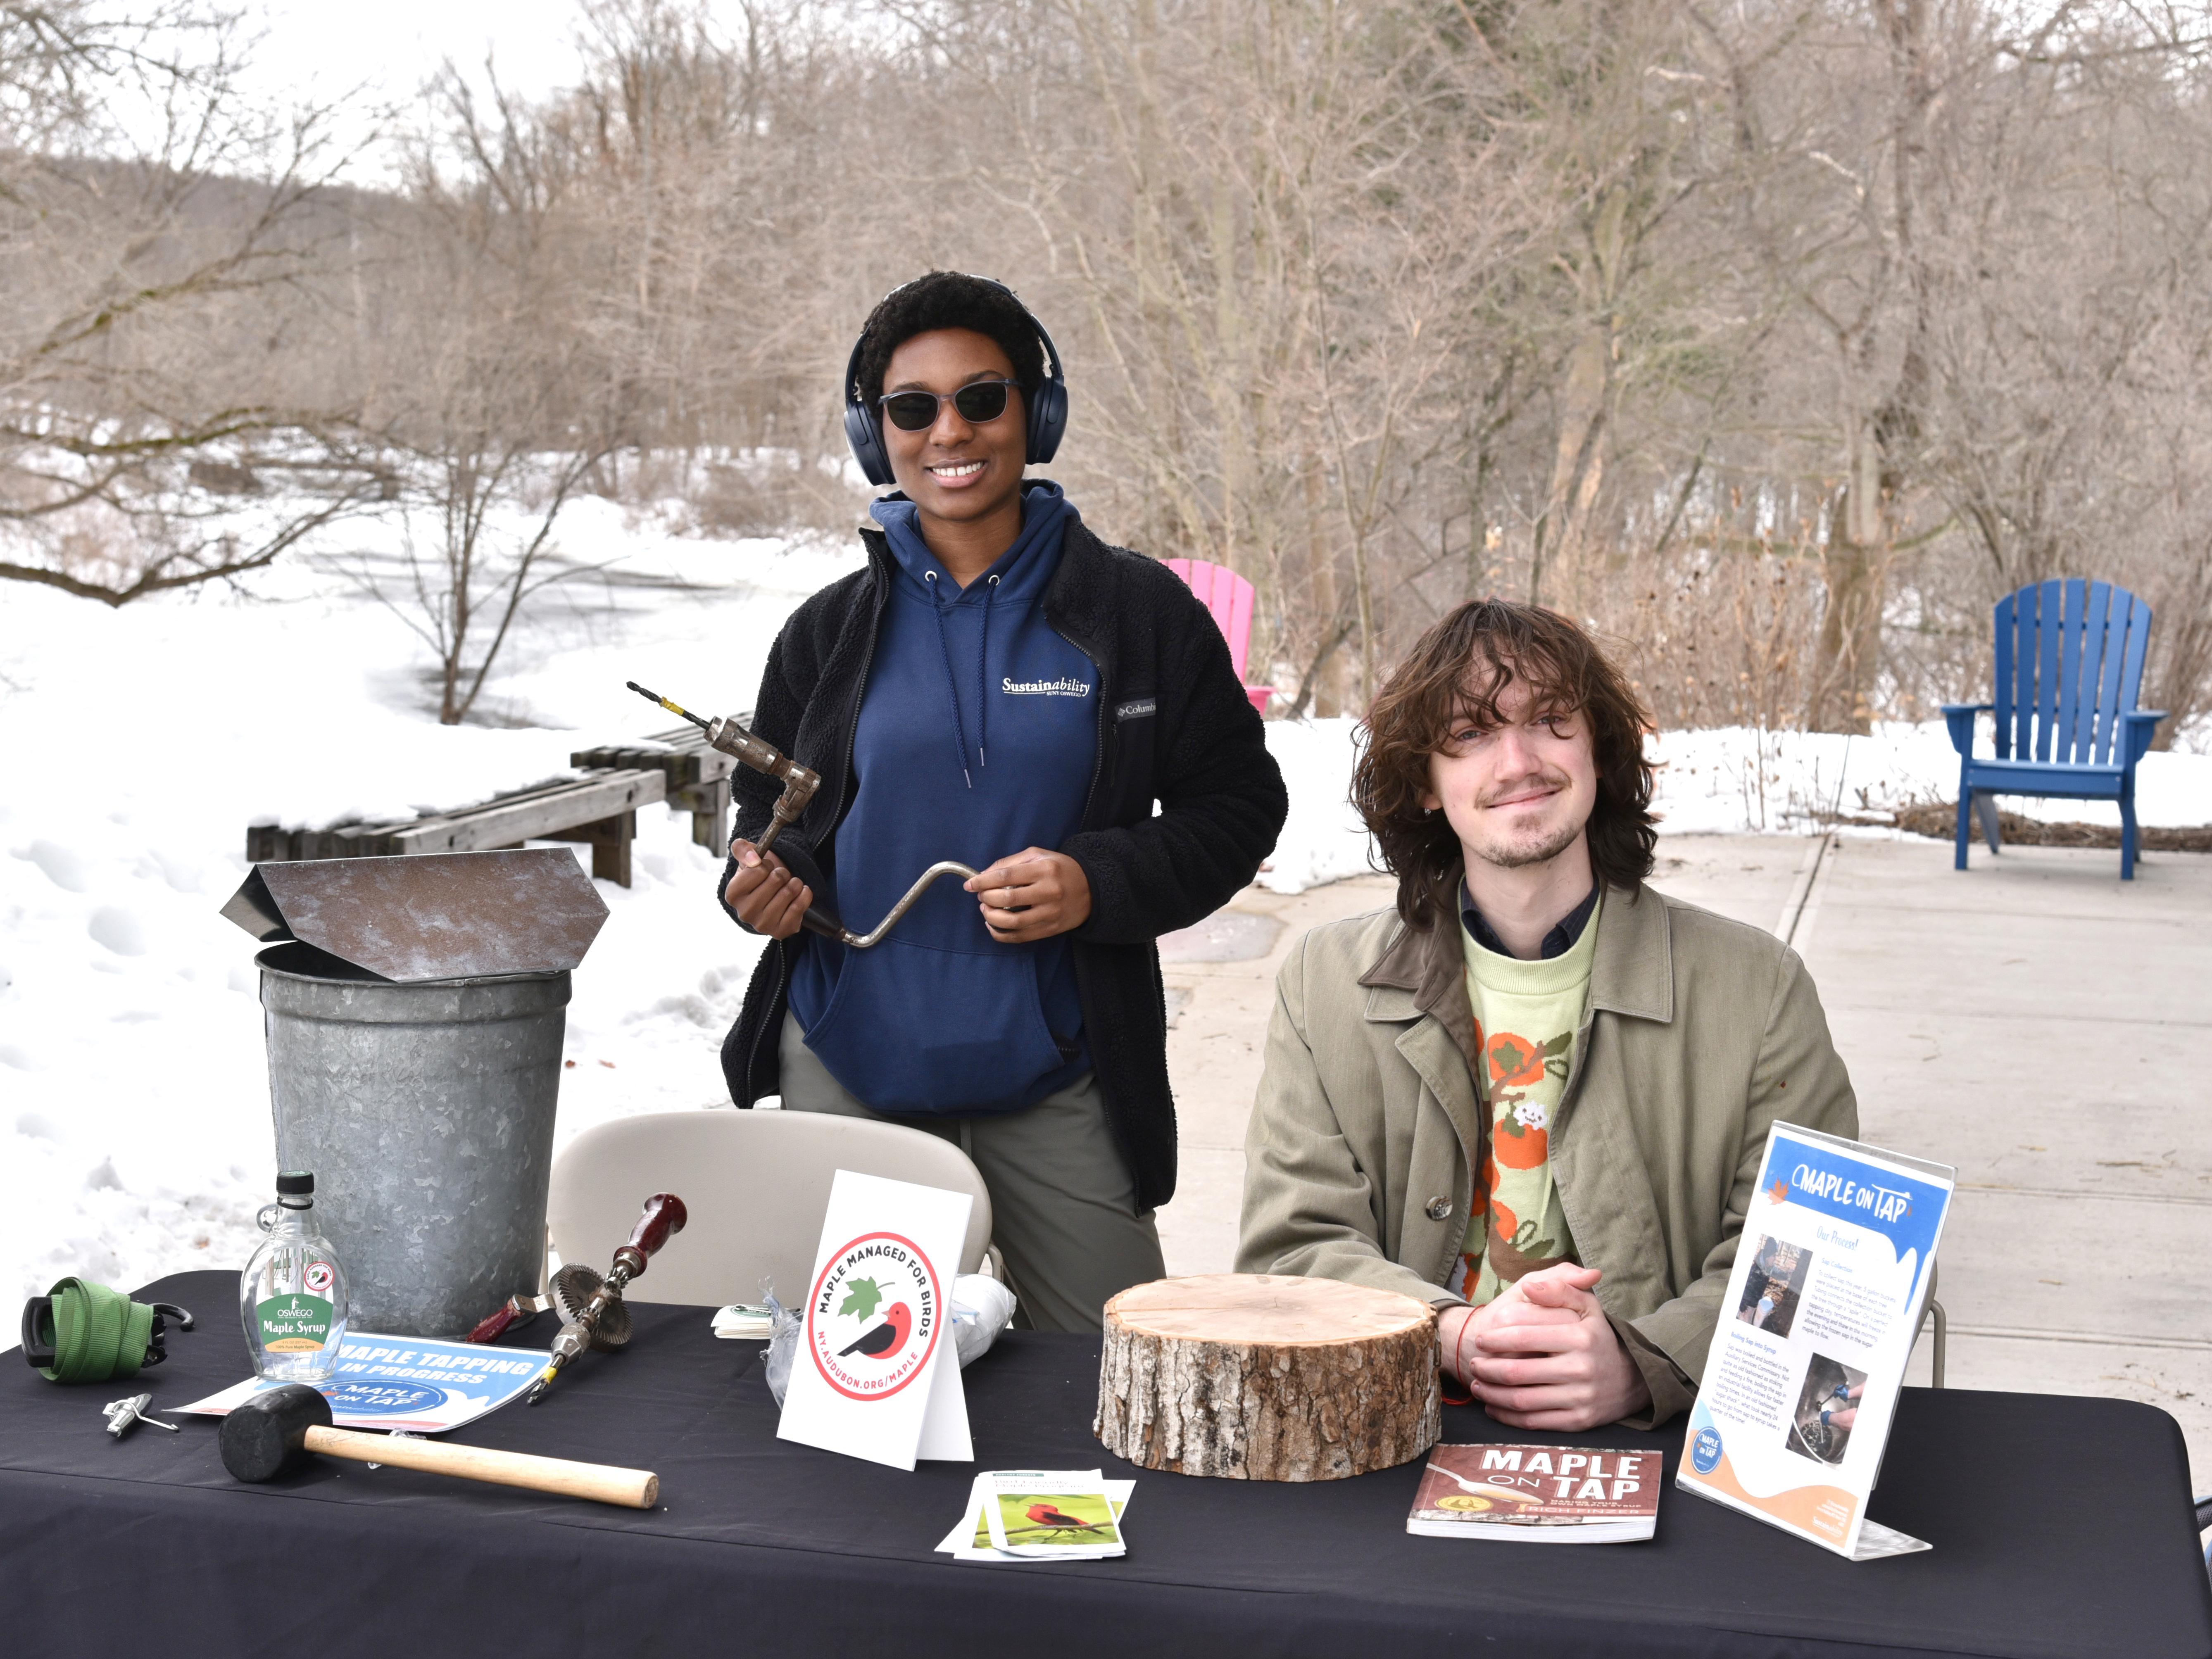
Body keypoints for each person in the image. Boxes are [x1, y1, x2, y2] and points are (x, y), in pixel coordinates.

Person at [718, 271, 1287, 1333]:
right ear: (872, 429)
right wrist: (759, 886)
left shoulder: (1137, 612)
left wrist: (1096, 882)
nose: (950, 431)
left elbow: (1238, 805)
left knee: (1127, 1381)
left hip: (1063, 1073)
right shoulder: (822, 633)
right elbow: (766, 824)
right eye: (912, 407)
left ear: (1038, 411)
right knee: (865, 1404)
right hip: (853, 1071)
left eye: (983, 398)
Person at [1236, 599, 1856, 1428]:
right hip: (1401, 1409)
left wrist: (1651, 1362)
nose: (1517, 760)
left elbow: (1814, 1254)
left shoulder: (1759, 985)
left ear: (1598, 747)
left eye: (1551, 720)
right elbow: (1290, 1246)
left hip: (1660, 1426)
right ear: (1424, 782)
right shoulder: (1324, 983)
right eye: (1470, 734)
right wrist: (1454, 1335)